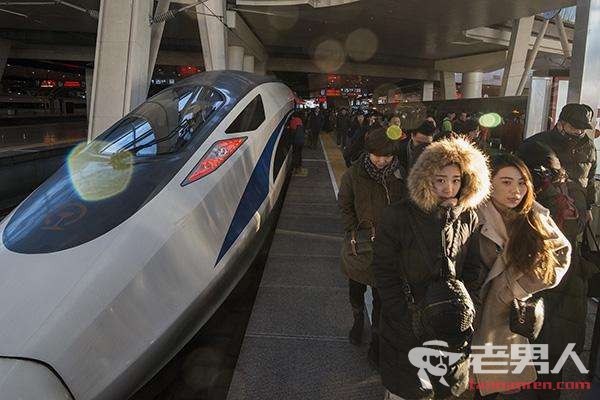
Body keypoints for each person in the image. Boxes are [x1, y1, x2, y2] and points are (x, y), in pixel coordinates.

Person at [373, 137, 491, 400]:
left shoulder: (468, 216)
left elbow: (472, 267)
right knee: (408, 390)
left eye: (456, 180)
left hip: (452, 326)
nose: (449, 187)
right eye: (440, 179)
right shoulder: (399, 215)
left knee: (446, 390)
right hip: (406, 327)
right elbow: (383, 271)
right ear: (425, 179)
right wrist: (405, 316)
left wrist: (467, 305)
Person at [468, 154, 571, 399]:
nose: (516, 190)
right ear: (489, 183)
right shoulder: (472, 214)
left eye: (522, 182)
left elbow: (561, 256)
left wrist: (518, 287)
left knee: (490, 388)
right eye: (506, 182)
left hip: (505, 318)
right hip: (471, 311)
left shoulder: (535, 215)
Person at [516, 103, 597, 398]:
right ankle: (530, 367)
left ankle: (551, 377)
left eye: (582, 129)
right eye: (574, 127)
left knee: (564, 314)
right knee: (537, 305)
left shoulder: (588, 147)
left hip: (572, 237)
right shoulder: (534, 146)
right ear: (560, 123)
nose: (578, 133)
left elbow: (589, 183)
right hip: (538, 237)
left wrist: (586, 206)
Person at [338, 127, 406, 370]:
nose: (381, 160)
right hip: (360, 244)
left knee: (382, 297)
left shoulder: (400, 175)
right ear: (368, 153)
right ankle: (358, 319)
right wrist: (353, 229)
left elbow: (408, 208)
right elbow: (344, 203)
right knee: (355, 287)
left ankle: (376, 341)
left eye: (386, 156)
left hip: (389, 246)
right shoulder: (353, 174)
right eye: (377, 155)